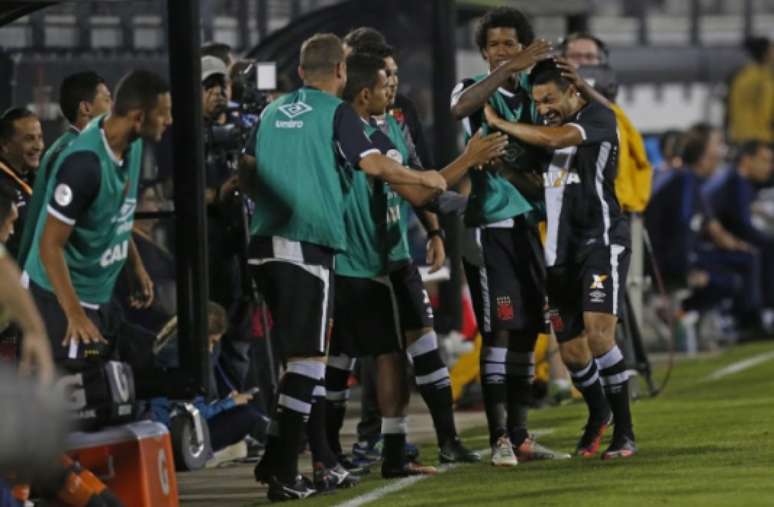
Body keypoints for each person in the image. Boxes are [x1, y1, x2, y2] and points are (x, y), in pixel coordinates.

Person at [239, 33, 448, 501]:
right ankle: (284, 476)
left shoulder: (272, 111)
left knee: (299, 361)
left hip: (264, 245)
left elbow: (247, 169)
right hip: (307, 244)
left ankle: (283, 460)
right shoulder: (338, 114)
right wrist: (423, 177)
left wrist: (273, 202)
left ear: (299, 72)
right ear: (340, 73)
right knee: (308, 363)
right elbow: (374, 164)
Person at [322, 52, 505, 481]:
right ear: (365, 92)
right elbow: (420, 190)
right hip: (359, 264)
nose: (395, 90)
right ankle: (330, 454)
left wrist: (443, 225)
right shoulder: (354, 134)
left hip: (395, 256)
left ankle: (415, 447)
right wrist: (468, 159)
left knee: (419, 349)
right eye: (388, 84)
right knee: (346, 361)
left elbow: (422, 192)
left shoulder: (391, 127)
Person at [483, 59, 637, 459]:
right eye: (538, 101)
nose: (544, 107)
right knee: (571, 352)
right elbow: (536, 181)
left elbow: (556, 141)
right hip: (558, 254)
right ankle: (599, 411)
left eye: (550, 99)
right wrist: (499, 163)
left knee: (599, 334)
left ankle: (625, 434)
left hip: (600, 243)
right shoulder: (544, 133)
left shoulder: (597, 117)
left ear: (572, 90)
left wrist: (500, 123)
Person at [450, 7, 567, 466]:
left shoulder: (536, 97)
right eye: (494, 45)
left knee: (525, 333)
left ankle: (519, 435)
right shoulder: (473, 91)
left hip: (528, 228)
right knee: (498, 331)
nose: (502, 50)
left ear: (525, 46)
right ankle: (498, 438)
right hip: (489, 226)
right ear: (483, 52)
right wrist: (506, 71)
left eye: (511, 44)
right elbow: (459, 109)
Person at [23, 70, 171, 368]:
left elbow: (117, 210)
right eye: (163, 114)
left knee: (113, 382)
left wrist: (136, 267)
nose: (169, 121)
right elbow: (50, 246)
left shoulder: (135, 143)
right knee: (74, 394)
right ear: (139, 118)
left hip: (100, 293)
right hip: (58, 298)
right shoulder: (83, 165)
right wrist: (74, 315)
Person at [17, 71, 112, 269]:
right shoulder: (70, 154)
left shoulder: (79, 149)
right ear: (86, 108)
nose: (113, 107)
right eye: (107, 99)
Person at [704, 140, 774, 327]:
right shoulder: (735, 182)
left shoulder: (737, 180)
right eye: (765, 160)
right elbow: (742, 226)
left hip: (718, 242)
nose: (770, 167)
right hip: (706, 246)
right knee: (760, 251)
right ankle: (754, 315)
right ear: (747, 160)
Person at [0, 108, 44, 258]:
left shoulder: (38, 179)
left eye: (40, 137)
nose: (38, 146)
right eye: (29, 139)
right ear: (5, 145)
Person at [727, 37, 774, 144]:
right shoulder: (766, 79)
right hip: (763, 138)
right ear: (766, 54)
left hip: (740, 136)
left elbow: (732, 108)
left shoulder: (740, 77)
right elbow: (768, 110)